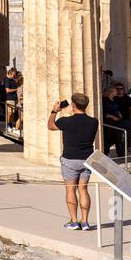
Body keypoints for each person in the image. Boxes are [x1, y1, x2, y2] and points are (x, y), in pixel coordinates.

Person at [49, 93, 98, 231]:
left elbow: (50, 126)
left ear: (73, 105)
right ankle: (85, 222)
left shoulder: (65, 121)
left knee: (70, 190)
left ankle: (74, 221)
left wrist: (55, 111)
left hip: (70, 159)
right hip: (86, 159)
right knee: (83, 189)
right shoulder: (94, 122)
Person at [102, 85, 127, 158]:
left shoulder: (114, 100)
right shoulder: (104, 100)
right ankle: (105, 153)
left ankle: (121, 154)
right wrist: (112, 116)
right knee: (107, 138)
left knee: (118, 137)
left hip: (116, 122)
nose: (117, 92)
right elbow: (103, 112)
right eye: (115, 90)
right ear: (111, 92)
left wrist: (119, 114)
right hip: (108, 122)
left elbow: (116, 108)